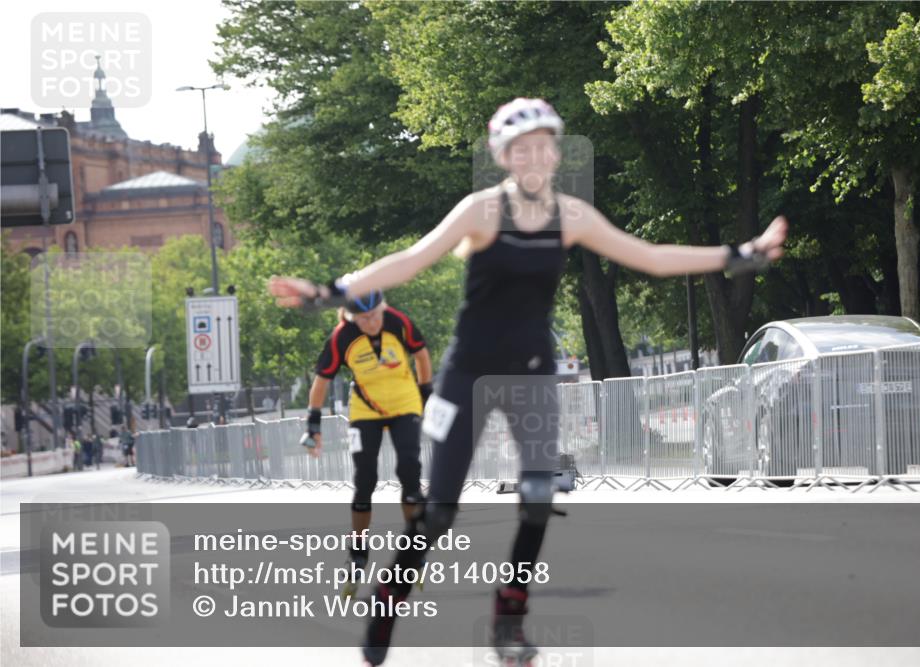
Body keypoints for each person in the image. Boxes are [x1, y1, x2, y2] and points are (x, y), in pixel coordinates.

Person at [269, 97, 787, 667]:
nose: (535, 156)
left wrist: (740, 254)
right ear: (504, 157)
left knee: (539, 496)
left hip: (532, 371)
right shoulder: (481, 212)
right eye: (522, 149)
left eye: (545, 146)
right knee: (439, 511)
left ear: (556, 153)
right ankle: (389, 600)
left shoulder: (572, 216)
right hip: (468, 371)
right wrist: (332, 292)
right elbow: (410, 260)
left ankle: (509, 622)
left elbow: (652, 256)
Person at [302, 290, 434, 595]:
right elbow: (321, 381)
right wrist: (313, 424)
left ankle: (415, 545)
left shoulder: (398, 321)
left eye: (375, 315)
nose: (372, 322)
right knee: (365, 480)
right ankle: (358, 552)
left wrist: (425, 394)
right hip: (365, 409)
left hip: (404, 404)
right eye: (364, 318)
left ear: (382, 308)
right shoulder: (341, 337)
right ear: (351, 317)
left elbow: (422, 355)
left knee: (409, 472)